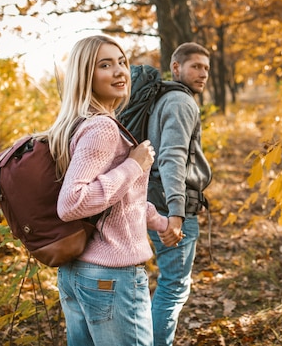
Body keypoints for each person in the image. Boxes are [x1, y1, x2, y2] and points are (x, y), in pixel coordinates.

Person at [48, 34, 169, 346]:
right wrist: (135, 165)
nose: (119, 71)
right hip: (109, 276)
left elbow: (121, 201)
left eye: (122, 62)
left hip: (79, 270)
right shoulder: (101, 127)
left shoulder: (79, 123)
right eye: (105, 65)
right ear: (86, 75)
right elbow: (72, 202)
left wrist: (159, 222)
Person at [146, 42, 213, 346]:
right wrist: (176, 213)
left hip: (155, 199)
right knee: (173, 287)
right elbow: (172, 156)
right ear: (176, 68)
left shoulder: (161, 99)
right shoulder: (181, 102)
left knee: (166, 285)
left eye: (206, 68)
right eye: (196, 66)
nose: (203, 74)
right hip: (173, 206)